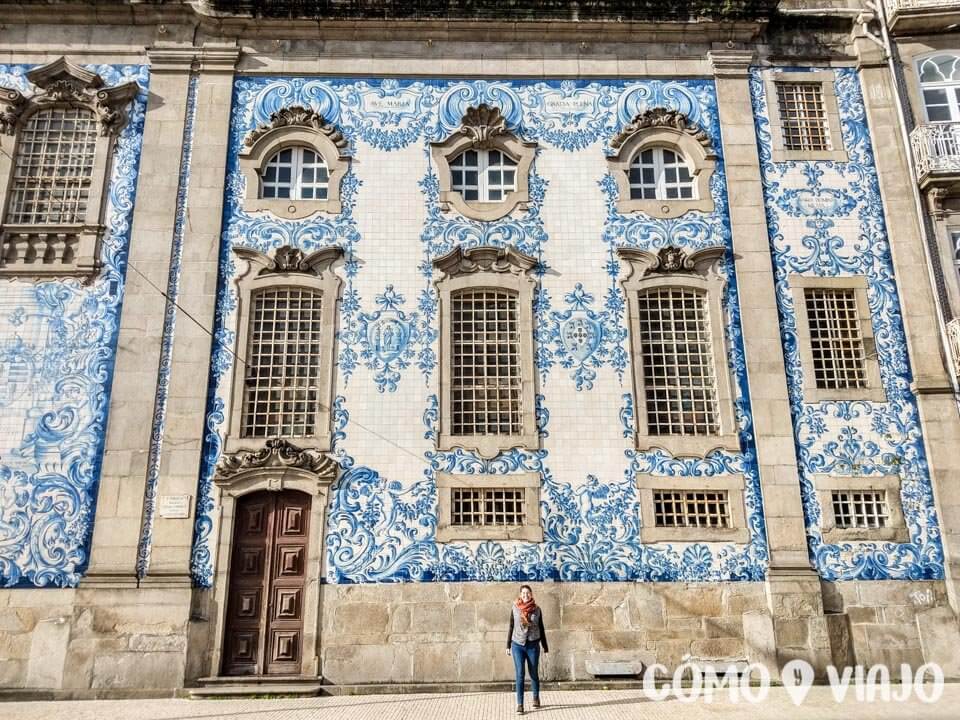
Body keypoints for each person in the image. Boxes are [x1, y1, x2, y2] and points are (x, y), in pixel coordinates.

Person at [506, 584, 548, 714]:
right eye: (523, 593)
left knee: (533, 672)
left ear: (531, 594)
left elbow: (541, 628)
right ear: (520, 595)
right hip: (517, 644)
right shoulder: (515, 608)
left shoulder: (537, 609)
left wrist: (545, 646)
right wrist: (507, 645)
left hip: (533, 645)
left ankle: (535, 697)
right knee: (520, 674)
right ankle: (520, 704)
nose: (525, 595)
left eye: (528, 593)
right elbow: (511, 626)